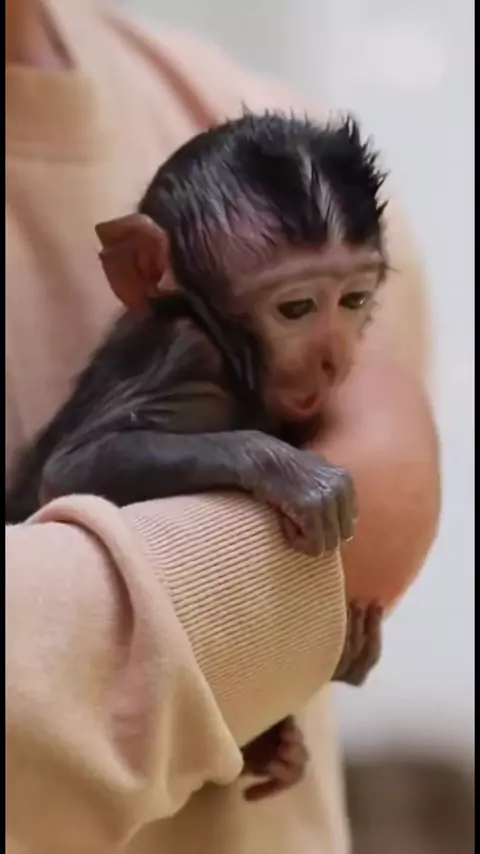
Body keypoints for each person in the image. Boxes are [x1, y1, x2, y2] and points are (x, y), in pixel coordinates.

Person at [5, 1, 440, 852]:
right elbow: (75, 472)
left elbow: (378, 513)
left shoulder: (211, 95)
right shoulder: (190, 352)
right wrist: (259, 470)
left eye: (357, 298)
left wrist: (286, 677)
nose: (337, 358)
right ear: (145, 270)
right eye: (294, 309)